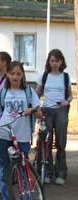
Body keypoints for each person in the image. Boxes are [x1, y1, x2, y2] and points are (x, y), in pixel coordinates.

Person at [0, 61, 42, 200]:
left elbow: (40, 113)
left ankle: (26, 195)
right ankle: (5, 196)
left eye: (18, 73)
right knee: (3, 168)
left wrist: (31, 110)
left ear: (23, 75)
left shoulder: (28, 92)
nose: (15, 76)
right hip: (4, 134)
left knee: (23, 168)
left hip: (22, 136)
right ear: (7, 74)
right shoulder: (4, 92)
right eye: (12, 73)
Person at [36, 49, 72, 185]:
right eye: (52, 61)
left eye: (57, 61)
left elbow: (70, 96)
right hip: (46, 112)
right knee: (46, 142)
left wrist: (66, 102)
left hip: (61, 111)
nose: (55, 63)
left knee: (61, 143)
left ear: (61, 61)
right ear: (48, 62)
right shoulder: (44, 76)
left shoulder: (66, 77)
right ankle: (46, 172)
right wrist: (35, 108)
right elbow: (37, 94)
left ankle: (61, 174)